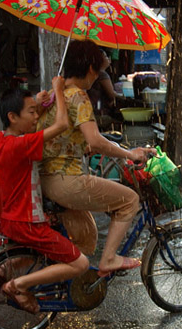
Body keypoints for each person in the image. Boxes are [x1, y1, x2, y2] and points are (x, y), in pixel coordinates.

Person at [37, 40, 154, 277]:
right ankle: (109, 259)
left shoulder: (53, 94)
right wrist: (129, 154)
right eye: (99, 70)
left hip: (47, 180)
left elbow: (75, 138)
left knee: (87, 238)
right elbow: (96, 140)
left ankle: (66, 282)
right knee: (129, 200)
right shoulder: (78, 96)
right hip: (67, 181)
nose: (98, 76)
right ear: (91, 69)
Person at [0, 76, 89, 314]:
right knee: (80, 264)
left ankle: (2, 270)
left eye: (36, 112)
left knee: (49, 245)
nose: (36, 117)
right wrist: (57, 88)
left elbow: (22, 117)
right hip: (27, 222)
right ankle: (17, 285)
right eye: (31, 113)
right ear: (13, 117)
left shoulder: (0, 139)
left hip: (12, 218)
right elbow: (62, 125)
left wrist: (37, 102)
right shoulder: (21, 144)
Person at [86, 50, 126, 130]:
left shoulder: (92, 73)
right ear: (100, 60)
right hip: (99, 114)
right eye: (106, 57)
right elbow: (112, 94)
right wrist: (124, 97)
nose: (108, 59)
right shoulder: (101, 74)